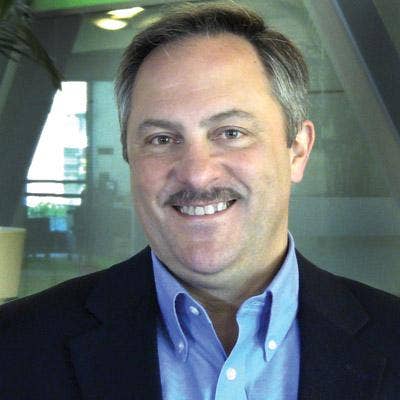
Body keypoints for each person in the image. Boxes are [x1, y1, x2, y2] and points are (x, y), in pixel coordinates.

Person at [0, 3, 399, 399]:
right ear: (129, 157)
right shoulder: (16, 346)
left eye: (231, 132)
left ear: (297, 150)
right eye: (161, 139)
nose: (197, 173)